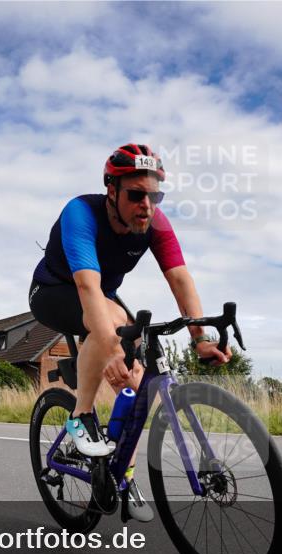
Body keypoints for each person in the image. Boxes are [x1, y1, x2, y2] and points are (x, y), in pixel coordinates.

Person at [29, 143, 231, 522]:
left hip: (101, 294)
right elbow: (89, 291)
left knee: (138, 377)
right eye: (137, 194)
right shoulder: (81, 213)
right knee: (112, 328)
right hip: (56, 290)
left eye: (155, 195)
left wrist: (200, 338)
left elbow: (180, 278)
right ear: (112, 191)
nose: (147, 204)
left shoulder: (155, 223)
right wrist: (109, 347)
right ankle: (82, 415)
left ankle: (125, 473)